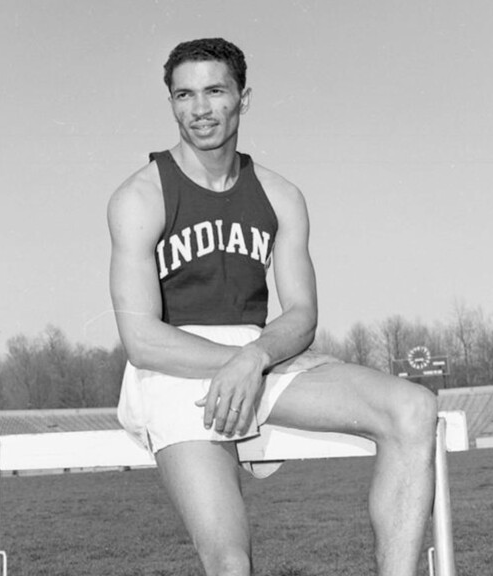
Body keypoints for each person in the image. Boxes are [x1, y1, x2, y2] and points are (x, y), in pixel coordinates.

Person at [108, 37, 438, 576]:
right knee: (231, 563)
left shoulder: (280, 195)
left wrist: (255, 357)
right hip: (176, 370)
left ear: (244, 97)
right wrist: (241, 362)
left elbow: (302, 313)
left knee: (413, 409)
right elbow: (142, 341)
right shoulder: (140, 197)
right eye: (183, 95)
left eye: (215, 91)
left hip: (260, 357)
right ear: (170, 101)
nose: (199, 109)